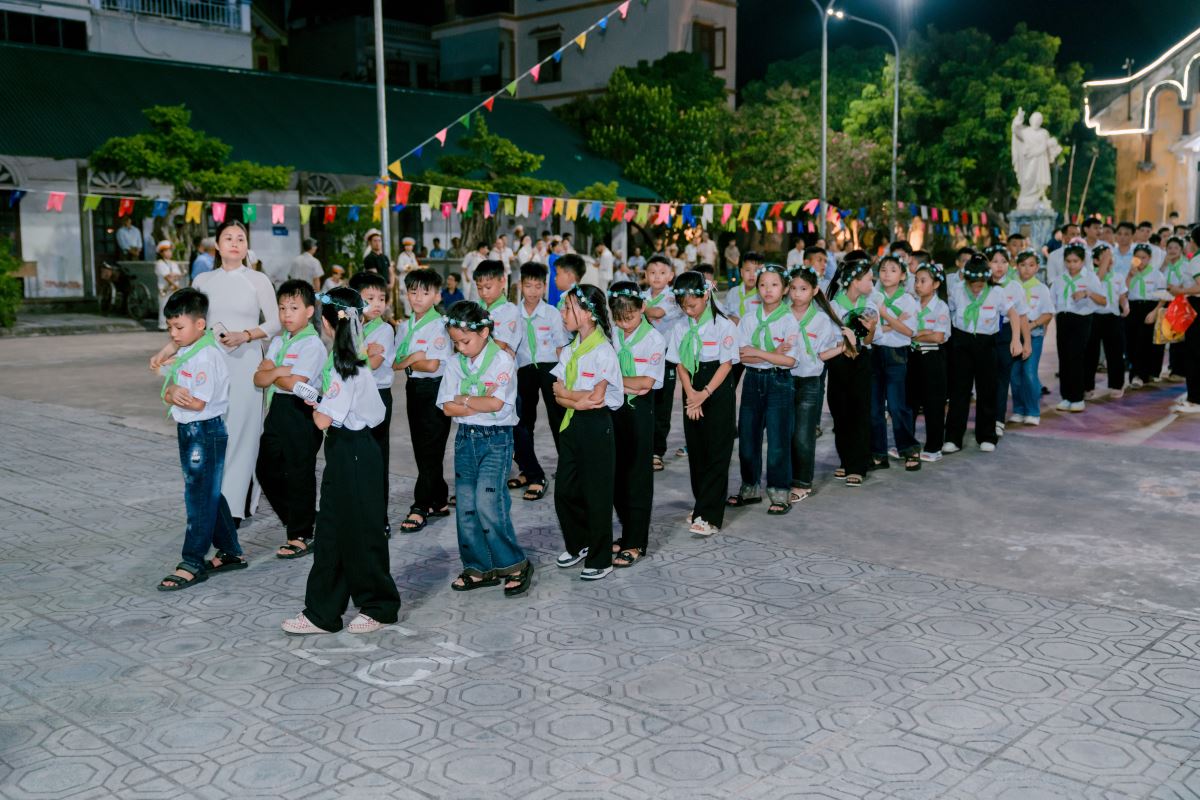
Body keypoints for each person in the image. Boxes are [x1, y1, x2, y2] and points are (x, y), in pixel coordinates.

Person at [282, 288, 400, 635]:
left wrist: (318, 406)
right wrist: (323, 404)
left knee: (362, 532)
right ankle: (323, 612)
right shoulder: (353, 361)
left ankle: (380, 606)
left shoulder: (344, 366)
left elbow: (322, 420)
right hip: (347, 450)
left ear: (326, 323)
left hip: (354, 452)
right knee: (331, 531)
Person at [152, 220, 280, 523]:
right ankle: (212, 501)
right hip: (208, 364)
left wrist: (245, 335)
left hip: (246, 364)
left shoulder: (258, 279)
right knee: (212, 431)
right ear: (218, 246)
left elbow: (275, 322)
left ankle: (234, 508)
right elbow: (189, 322)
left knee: (242, 434)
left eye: (241, 238)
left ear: (246, 246)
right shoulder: (204, 280)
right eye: (228, 238)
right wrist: (168, 350)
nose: (235, 243)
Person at [437, 300, 534, 596]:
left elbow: (495, 404)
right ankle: (478, 566)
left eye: (465, 341)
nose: (460, 348)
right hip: (465, 439)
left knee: (488, 503)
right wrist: (475, 402)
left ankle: (514, 564)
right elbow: (447, 408)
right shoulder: (455, 363)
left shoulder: (502, 360)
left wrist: (464, 398)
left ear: (484, 332)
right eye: (455, 343)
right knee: (466, 507)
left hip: (496, 440)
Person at [155, 288, 245, 591]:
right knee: (208, 491)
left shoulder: (205, 356)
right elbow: (173, 380)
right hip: (192, 431)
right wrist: (169, 382)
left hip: (203, 432)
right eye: (170, 327)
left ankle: (192, 561)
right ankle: (230, 551)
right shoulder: (190, 348)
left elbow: (196, 403)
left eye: (178, 327)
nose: (173, 333)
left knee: (198, 497)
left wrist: (170, 393)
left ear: (200, 324)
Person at [549, 285, 623, 579]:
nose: (563, 313)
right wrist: (575, 400)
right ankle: (579, 542)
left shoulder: (603, 351)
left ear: (589, 314)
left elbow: (597, 398)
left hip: (596, 426)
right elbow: (556, 393)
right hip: (571, 423)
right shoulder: (570, 350)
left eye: (569, 308)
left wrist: (571, 396)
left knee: (597, 494)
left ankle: (601, 557)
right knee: (564, 491)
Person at [253, 279, 325, 559]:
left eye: (293, 308)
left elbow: (297, 384)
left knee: (299, 473)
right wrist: (280, 372)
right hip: (277, 411)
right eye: (282, 308)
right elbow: (258, 378)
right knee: (266, 468)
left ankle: (301, 534)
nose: (286, 314)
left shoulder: (313, 345)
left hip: (301, 412)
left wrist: (274, 371)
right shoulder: (278, 340)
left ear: (309, 311)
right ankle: (302, 517)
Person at [668, 271, 738, 536]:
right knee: (697, 451)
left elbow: (726, 364)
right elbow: (680, 363)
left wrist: (704, 393)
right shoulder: (680, 327)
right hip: (692, 385)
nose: (688, 310)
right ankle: (702, 504)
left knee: (717, 452)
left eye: (692, 305)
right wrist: (691, 394)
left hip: (717, 387)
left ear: (706, 295)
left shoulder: (723, 326)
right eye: (683, 306)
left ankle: (710, 516)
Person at [730, 264, 799, 515]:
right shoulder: (749, 319)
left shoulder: (789, 320)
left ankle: (780, 491)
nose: (768, 290)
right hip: (753, 381)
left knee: (779, 440)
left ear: (785, 289)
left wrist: (758, 352)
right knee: (748, 437)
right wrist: (772, 354)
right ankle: (749, 487)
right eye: (763, 285)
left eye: (774, 284)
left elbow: (789, 360)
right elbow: (740, 355)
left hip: (780, 382)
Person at [606, 281, 666, 567]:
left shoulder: (654, 339)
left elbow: (644, 384)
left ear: (642, 308)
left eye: (629, 317)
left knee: (637, 477)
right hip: (612, 411)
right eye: (618, 318)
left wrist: (609, 380)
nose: (624, 324)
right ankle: (626, 531)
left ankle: (636, 541)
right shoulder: (611, 334)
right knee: (616, 474)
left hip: (639, 413)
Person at [393, 268, 454, 532]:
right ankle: (438, 500)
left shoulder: (440, 325)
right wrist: (415, 357)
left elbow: (431, 365)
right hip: (413, 388)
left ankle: (420, 506)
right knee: (421, 446)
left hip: (435, 389)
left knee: (431, 447)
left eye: (425, 293)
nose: (418, 298)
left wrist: (411, 360)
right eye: (413, 292)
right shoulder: (405, 326)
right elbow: (396, 363)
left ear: (437, 296)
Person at [944, 254, 1022, 451]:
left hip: (987, 344)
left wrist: (1016, 340)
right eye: (973, 285)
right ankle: (953, 438)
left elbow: (1013, 314)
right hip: (961, 343)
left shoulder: (997, 292)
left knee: (987, 390)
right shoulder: (957, 290)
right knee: (959, 391)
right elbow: (949, 312)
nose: (976, 289)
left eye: (980, 285)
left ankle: (987, 436)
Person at [785, 265, 843, 502]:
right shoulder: (781, 314)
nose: (797, 294)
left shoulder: (821, 319)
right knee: (783, 433)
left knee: (803, 434)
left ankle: (802, 482)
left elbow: (822, 354)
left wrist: (843, 347)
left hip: (809, 382)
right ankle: (782, 477)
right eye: (793, 288)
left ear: (814, 290)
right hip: (782, 380)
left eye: (803, 289)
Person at [511, 262, 568, 502]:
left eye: (538, 286)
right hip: (524, 369)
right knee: (524, 421)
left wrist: (563, 376)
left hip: (549, 368)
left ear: (545, 287)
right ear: (520, 286)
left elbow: (560, 346)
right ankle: (527, 468)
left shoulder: (552, 313)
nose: (533, 291)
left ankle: (567, 468)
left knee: (558, 418)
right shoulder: (513, 313)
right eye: (528, 286)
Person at [823, 255, 877, 486]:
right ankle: (845, 460)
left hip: (861, 359)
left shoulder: (870, 305)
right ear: (855, 281)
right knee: (841, 411)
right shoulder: (833, 306)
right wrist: (844, 346)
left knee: (860, 412)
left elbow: (869, 340)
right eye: (869, 279)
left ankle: (858, 465)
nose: (872, 284)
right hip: (839, 359)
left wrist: (870, 330)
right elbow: (827, 338)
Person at [351, 271, 397, 532]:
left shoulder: (384, 330)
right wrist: (365, 353)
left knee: (377, 455)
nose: (377, 304)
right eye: (369, 298)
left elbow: (375, 364)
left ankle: (380, 520)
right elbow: (345, 360)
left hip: (378, 395)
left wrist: (360, 357)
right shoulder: (351, 326)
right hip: (353, 395)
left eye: (381, 298)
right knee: (357, 455)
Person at [869, 255, 921, 471]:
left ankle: (909, 449)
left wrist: (884, 316)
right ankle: (878, 453)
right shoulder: (872, 297)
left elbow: (910, 331)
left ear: (902, 276)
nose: (887, 274)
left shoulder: (907, 300)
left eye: (893, 270)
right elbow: (868, 328)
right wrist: (894, 324)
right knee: (874, 407)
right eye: (883, 269)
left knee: (897, 406)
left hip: (897, 354)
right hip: (874, 353)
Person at [1050, 244, 1106, 412]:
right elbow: (1052, 302)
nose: (1072, 265)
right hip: (1063, 319)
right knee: (1064, 357)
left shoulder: (1090, 278)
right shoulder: (1059, 280)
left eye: (1075, 261)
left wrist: (1088, 293)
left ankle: (1077, 397)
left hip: (1081, 320)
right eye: (1068, 261)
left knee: (1076, 357)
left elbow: (1104, 301)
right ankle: (1066, 397)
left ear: (1082, 261)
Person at [984, 245, 1031, 437]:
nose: (999, 266)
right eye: (994, 261)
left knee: (1002, 379)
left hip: (1006, 334)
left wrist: (1025, 342)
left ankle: (998, 420)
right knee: (985, 379)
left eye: (1004, 262)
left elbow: (1022, 316)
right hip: (985, 334)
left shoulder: (1014, 287)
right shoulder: (981, 285)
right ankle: (985, 418)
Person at [907, 263, 952, 459]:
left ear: (935, 284)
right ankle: (907, 445)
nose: (918, 285)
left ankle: (934, 448)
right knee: (910, 402)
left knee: (933, 403)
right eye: (916, 280)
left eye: (923, 281)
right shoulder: (911, 304)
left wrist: (915, 334)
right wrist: (924, 332)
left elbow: (938, 337)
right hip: (912, 356)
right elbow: (906, 330)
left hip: (933, 357)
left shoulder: (941, 307)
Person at [642, 256, 681, 471]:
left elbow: (657, 313)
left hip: (666, 358)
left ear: (670, 276)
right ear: (645, 275)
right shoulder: (642, 296)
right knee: (644, 402)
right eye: (652, 272)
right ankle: (643, 448)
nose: (657, 277)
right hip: (643, 357)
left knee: (662, 405)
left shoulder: (672, 298)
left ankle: (657, 451)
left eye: (662, 273)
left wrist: (635, 307)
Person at [1009, 251, 1054, 425]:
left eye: (1031, 265)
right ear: (1016, 266)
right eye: (1022, 265)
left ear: (1037, 267)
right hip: (1014, 335)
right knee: (1014, 375)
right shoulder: (1011, 287)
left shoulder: (1041, 289)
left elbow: (1048, 313)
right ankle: (1019, 410)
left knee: (1029, 372)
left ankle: (1033, 411)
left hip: (1034, 334)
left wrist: (1032, 325)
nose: (1026, 269)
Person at [1084, 244, 1128, 400]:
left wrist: (1125, 306)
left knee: (1115, 352)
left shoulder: (1118, 276)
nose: (1109, 259)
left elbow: (1122, 295)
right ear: (1096, 261)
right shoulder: (1092, 276)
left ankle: (1117, 384)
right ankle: (1087, 386)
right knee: (1091, 354)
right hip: (1094, 316)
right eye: (1104, 256)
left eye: (1110, 256)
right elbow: (1098, 280)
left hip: (1112, 316)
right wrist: (1106, 260)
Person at [1167, 227, 1200, 414]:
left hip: (1196, 307)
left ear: (1193, 241)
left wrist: (1180, 291)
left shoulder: (1196, 261)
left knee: (1194, 353)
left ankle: (1195, 400)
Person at [1124, 243, 1165, 389]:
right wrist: (1130, 275)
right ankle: (1138, 372)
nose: (1140, 260)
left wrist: (1154, 312)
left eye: (1144, 257)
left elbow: (1163, 297)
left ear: (1149, 258)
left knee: (1143, 342)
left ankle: (1139, 375)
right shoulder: (1129, 273)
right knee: (1131, 342)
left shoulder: (1156, 275)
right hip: (1132, 308)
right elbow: (1123, 291)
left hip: (1149, 308)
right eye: (1137, 257)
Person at [474, 260, 520, 354]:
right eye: (479, 288)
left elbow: (499, 345)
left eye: (488, 287)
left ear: (502, 281)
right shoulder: (474, 307)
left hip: (498, 360)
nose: (484, 293)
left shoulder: (509, 310)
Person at [1161, 236, 1190, 382]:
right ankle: (1170, 368)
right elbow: (1157, 279)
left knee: (1178, 338)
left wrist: (1174, 288)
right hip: (1164, 302)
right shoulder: (1164, 263)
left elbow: (1188, 284)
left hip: (1180, 302)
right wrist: (1164, 265)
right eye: (1170, 248)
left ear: (1181, 250)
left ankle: (1179, 370)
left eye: (1176, 248)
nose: (1172, 251)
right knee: (1165, 336)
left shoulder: (1186, 265)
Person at [724, 251, 764, 324]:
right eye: (748, 270)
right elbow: (724, 313)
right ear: (742, 272)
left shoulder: (763, 295)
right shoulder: (732, 293)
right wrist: (730, 318)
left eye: (756, 271)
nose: (752, 274)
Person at [154, 240, 183, 331]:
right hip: (165, 289)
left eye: (170, 250)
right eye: (166, 251)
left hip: (173, 289)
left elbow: (179, 275)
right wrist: (174, 282)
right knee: (164, 306)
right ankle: (162, 325)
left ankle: (173, 325)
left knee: (174, 307)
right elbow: (166, 277)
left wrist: (173, 276)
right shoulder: (159, 263)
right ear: (161, 253)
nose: (169, 253)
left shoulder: (174, 263)